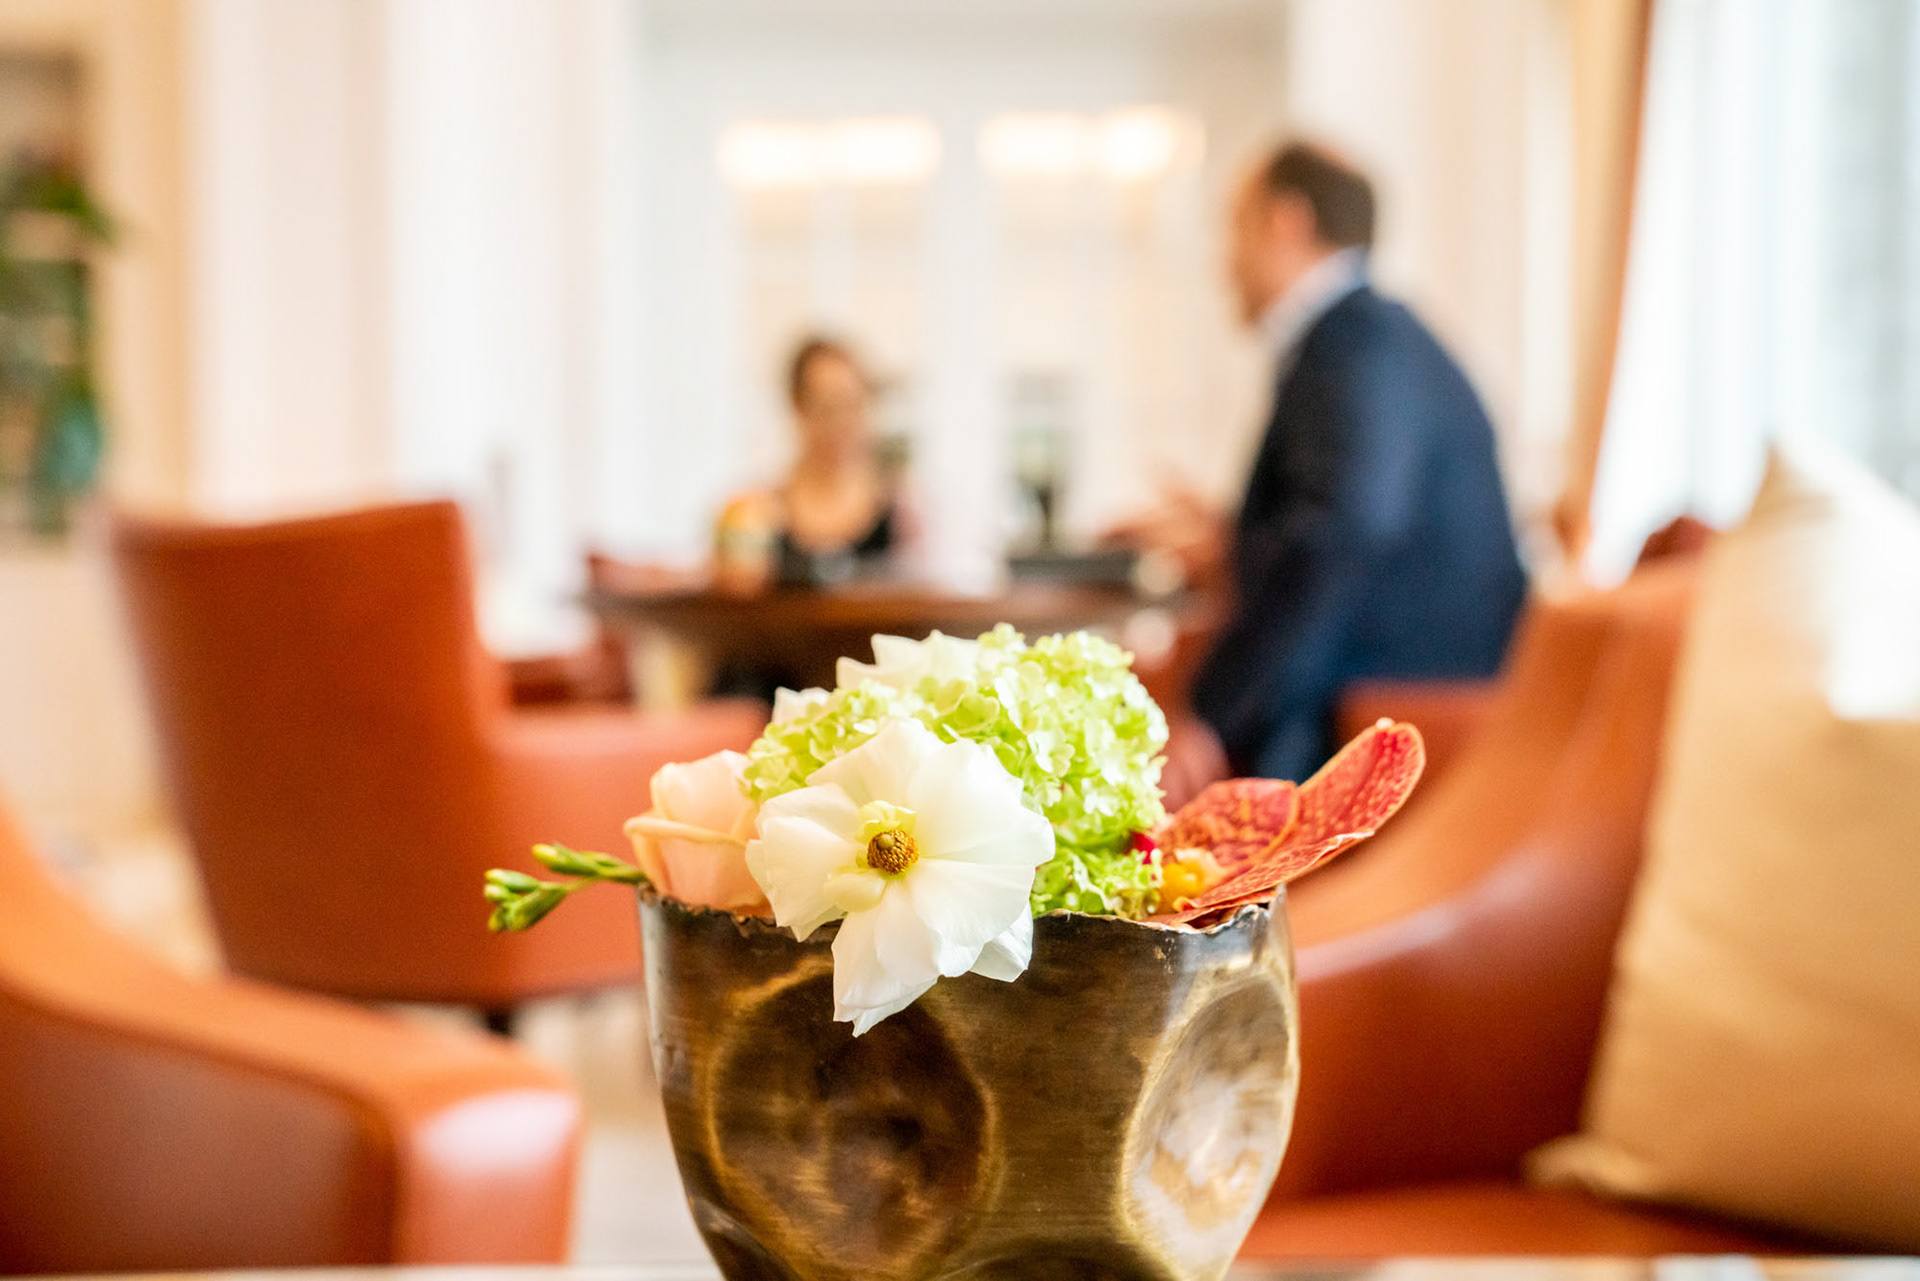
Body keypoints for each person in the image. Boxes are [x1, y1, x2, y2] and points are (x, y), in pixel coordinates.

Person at [1133, 141, 1528, 789]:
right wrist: (1229, 537)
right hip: (1398, 678)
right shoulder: (1372, 337)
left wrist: (1211, 714)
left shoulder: (1353, 344)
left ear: (1286, 222)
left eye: (1235, 228)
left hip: (1393, 698)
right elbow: (1346, 521)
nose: (1224, 261)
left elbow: (1341, 537)